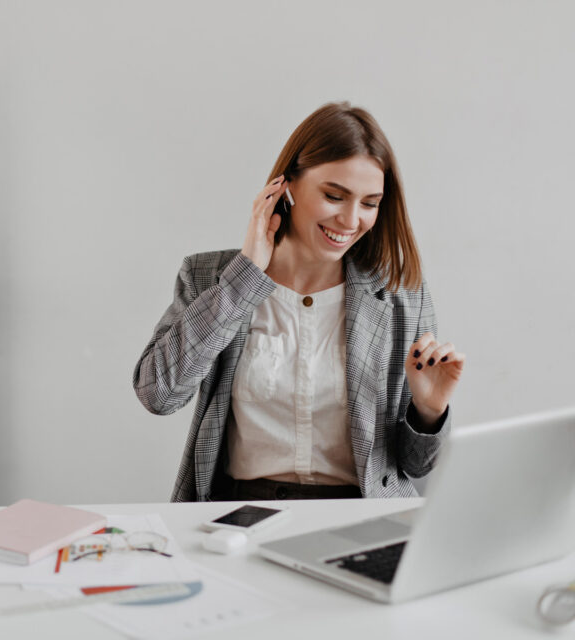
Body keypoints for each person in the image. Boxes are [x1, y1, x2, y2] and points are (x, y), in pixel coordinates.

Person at [133, 102, 465, 502]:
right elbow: (158, 394)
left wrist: (428, 412)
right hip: (242, 514)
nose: (351, 220)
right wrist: (245, 277)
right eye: (334, 195)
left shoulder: (401, 295)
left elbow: (416, 467)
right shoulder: (209, 277)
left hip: (359, 516)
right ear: (286, 186)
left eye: (369, 203)